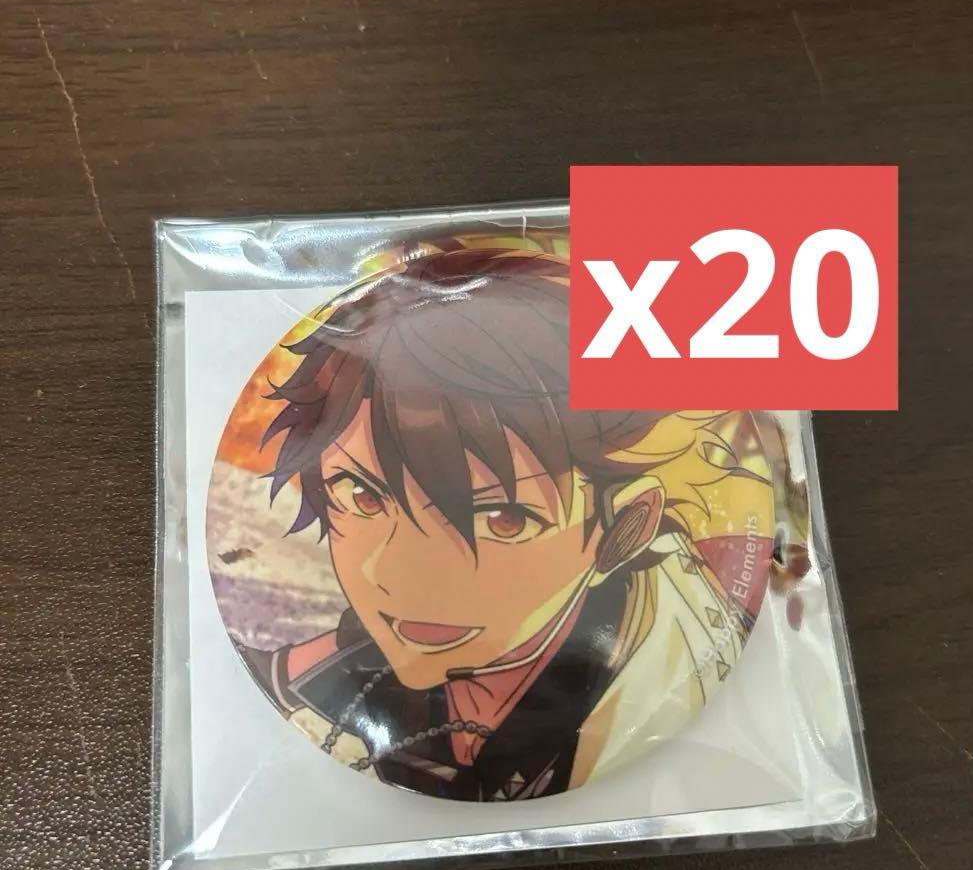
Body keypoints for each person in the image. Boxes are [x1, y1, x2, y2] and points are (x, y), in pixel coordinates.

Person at [246, 238, 773, 801]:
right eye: (363, 496)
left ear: (625, 530)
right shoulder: (306, 681)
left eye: (501, 519)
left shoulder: (677, 687)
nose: (400, 575)